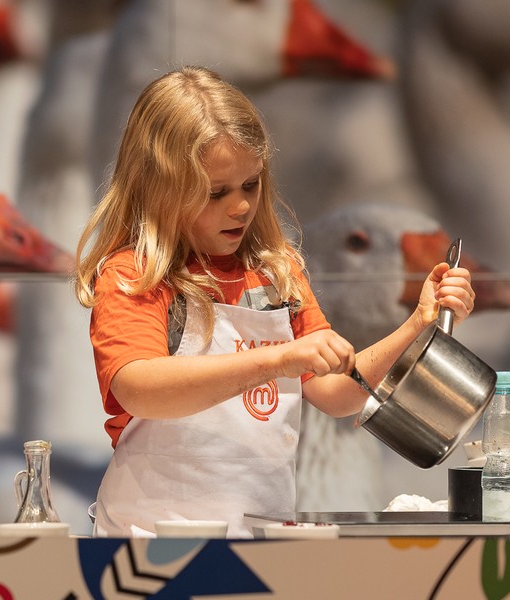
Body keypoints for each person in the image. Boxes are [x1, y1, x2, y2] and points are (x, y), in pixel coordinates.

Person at [73, 66, 475, 538]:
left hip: (260, 534)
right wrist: (278, 360)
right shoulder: (135, 275)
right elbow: (139, 388)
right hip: (151, 538)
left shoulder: (277, 272)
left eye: (251, 184)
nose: (241, 206)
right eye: (216, 193)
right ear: (159, 190)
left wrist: (418, 326)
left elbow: (336, 393)